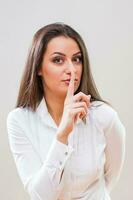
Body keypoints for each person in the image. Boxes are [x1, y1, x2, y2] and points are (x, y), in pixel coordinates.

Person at [7, 22, 126, 200]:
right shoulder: (19, 120)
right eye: (58, 60)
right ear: (38, 67)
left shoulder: (104, 115)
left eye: (77, 59)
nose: (71, 69)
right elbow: (40, 195)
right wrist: (62, 135)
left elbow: (111, 176)